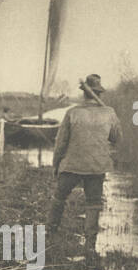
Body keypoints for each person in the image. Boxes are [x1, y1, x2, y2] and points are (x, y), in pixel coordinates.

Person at [47, 74, 121, 259]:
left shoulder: (73, 113)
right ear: (99, 94)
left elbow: (61, 143)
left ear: (83, 93)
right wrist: (115, 120)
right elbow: (117, 139)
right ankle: (89, 246)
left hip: (72, 164)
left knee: (59, 198)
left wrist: (56, 165)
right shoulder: (109, 113)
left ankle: (50, 234)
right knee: (93, 204)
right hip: (96, 166)